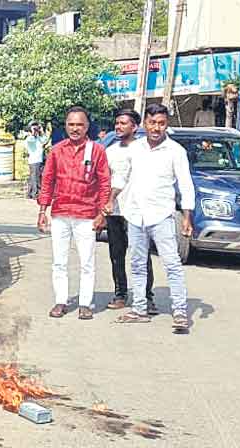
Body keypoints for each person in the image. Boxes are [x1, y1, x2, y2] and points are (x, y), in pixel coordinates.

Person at [116, 103, 195, 333]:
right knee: (138, 264)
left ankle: (180, 312)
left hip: (161, 216)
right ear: (144, 124)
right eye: (152, 123)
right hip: (135, 215)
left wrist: (187, 217)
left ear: (166, 124)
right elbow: (121, 178)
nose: (156, 128)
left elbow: (186, 186)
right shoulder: (135, 149)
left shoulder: (176, 151)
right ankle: (139, 309)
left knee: (172, 264)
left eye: (161, 123)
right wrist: (111, 199)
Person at [36, 106, 111, 321]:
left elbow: (105, 183)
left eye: (80, 124)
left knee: (86, 261)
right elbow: (48, 181)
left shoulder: (96, 151)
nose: (75, 128)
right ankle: (61, 300)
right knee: (59, 261)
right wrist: (43, 210)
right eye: (71, 124)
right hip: (60, 213)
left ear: (87, 126)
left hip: (86, 214)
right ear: (66, 126)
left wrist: (102, 212)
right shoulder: (57, 150)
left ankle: (85, 303)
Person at [104, 108, 155, 313]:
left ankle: (146, 297)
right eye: (117, 123)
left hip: (137, 211)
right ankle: (120, 294)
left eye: (123, 123)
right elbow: (106, 178)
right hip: (114, 210)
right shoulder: (110, 151)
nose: (119, 126)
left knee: (141, 255)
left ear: (135, 127)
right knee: (116, 254)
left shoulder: (144, 150)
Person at [24, 123, 47, 199]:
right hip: (34, 161)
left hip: (39, 160)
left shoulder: (38, 138)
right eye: (34, 129)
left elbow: (45, 140)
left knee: (33, 177)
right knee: (35, 177)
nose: (36, 130)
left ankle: (29, 193)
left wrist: (41, 131)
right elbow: (31, 139)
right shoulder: (29, 138)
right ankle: (35, 193)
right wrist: (33, 132)